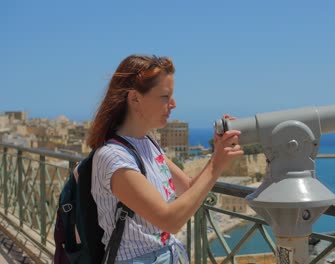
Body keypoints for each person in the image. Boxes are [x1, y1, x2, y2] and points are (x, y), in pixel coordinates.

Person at [86, 54, 243, 263]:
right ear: (135, 99)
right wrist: (216, 165)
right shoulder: (114, 157)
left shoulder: (148, 144)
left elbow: (187, 189)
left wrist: (217, 153)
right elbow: (169, 221)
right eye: (164, 97)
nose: (174, 104)